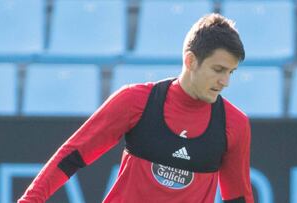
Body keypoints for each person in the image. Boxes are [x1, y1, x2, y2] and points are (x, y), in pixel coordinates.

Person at [18, 13, 254, 203]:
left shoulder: (235, 124)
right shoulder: (134, 100)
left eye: (231, 72)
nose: (226, 82)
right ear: (190, 61)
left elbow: (238, 197)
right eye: (218, 70)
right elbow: (72, 155)